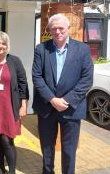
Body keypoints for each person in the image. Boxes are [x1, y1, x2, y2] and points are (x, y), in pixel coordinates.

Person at [32, 13, 93, 174]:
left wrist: (65, 100)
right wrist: (52, 99)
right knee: (46, 147)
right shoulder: (41, 49)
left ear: (68, 29)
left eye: (61, 28)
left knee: (69, 150)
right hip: (47, 107)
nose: (57, 31)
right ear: (49, 30)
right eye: (54, 28)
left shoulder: (82, 49)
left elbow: (86, 80)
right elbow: (36, 77)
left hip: (72, 109)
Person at [0, 31, 29, 174]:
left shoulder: (14, 61)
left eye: (3, 43)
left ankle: (12, 170)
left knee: (7, 140)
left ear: (7, 46)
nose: (0, 46)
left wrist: (23, 105)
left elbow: (23, 84)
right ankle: (1, 167)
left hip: (9, 106)